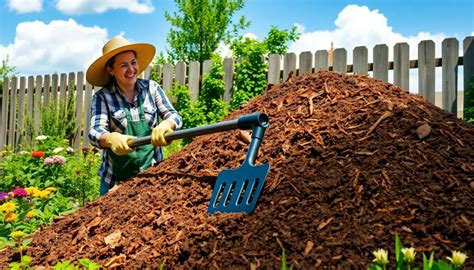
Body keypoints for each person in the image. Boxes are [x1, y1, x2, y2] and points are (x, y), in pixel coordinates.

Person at [86, 36, 182, 195]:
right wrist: (110, 138)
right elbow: (94, 132)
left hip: (152, 178)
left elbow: (174, 116)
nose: (131, 69)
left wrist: (167, 124)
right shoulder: (103, 97)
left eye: (133, 62)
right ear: (111, 70)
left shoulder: (151, 89)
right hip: (115, 183)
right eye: (123, 65)